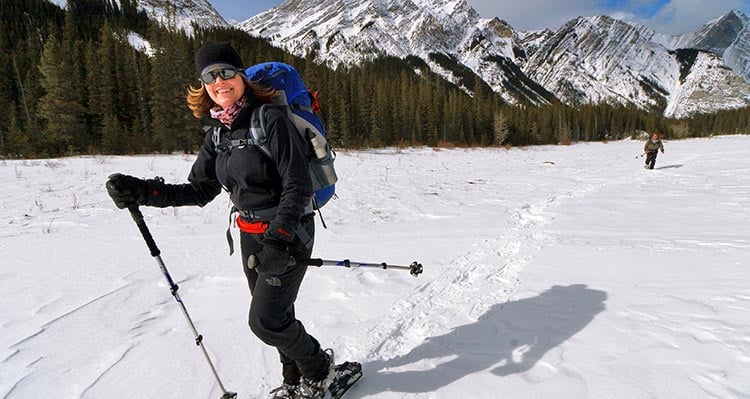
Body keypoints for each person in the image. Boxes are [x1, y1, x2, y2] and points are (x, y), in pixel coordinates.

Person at [106, 42, 338, 399]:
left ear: (241, 75)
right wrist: (144, 192)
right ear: (203, 85)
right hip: (250, 234)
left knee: (265, 321)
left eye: (226, 72)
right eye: (210, 76)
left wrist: (280, 234)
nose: (219, 81)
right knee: (278, 314)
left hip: (290, 231)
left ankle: (319, 369)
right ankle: (293, 380)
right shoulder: (218, 133)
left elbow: (297, 182)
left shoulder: (270, 119)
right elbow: (199, 190)